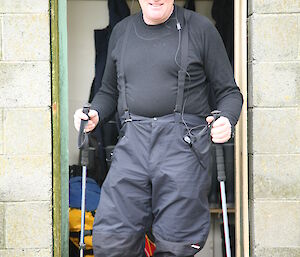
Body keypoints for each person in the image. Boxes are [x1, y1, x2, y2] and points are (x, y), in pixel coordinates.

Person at [74, 0, 243, 256]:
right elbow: (108, 91)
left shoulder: (201, 29)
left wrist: (226, 119)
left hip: (183, 149)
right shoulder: (122, 32)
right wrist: (94, 111)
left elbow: (229, 93)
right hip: (132, 146)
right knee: (111, 241)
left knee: (177, 245)